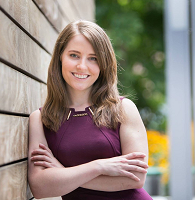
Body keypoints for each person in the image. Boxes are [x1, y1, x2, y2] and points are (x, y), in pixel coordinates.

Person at [28, 20, 152, 200]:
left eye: (93, 58)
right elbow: (40, 187)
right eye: (74, 55)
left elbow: (135, 178)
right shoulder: (40, 119)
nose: (82, 66)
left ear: (103, 65)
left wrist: (63, 173)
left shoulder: (123, 109)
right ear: (60, 58)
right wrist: (99, 167)